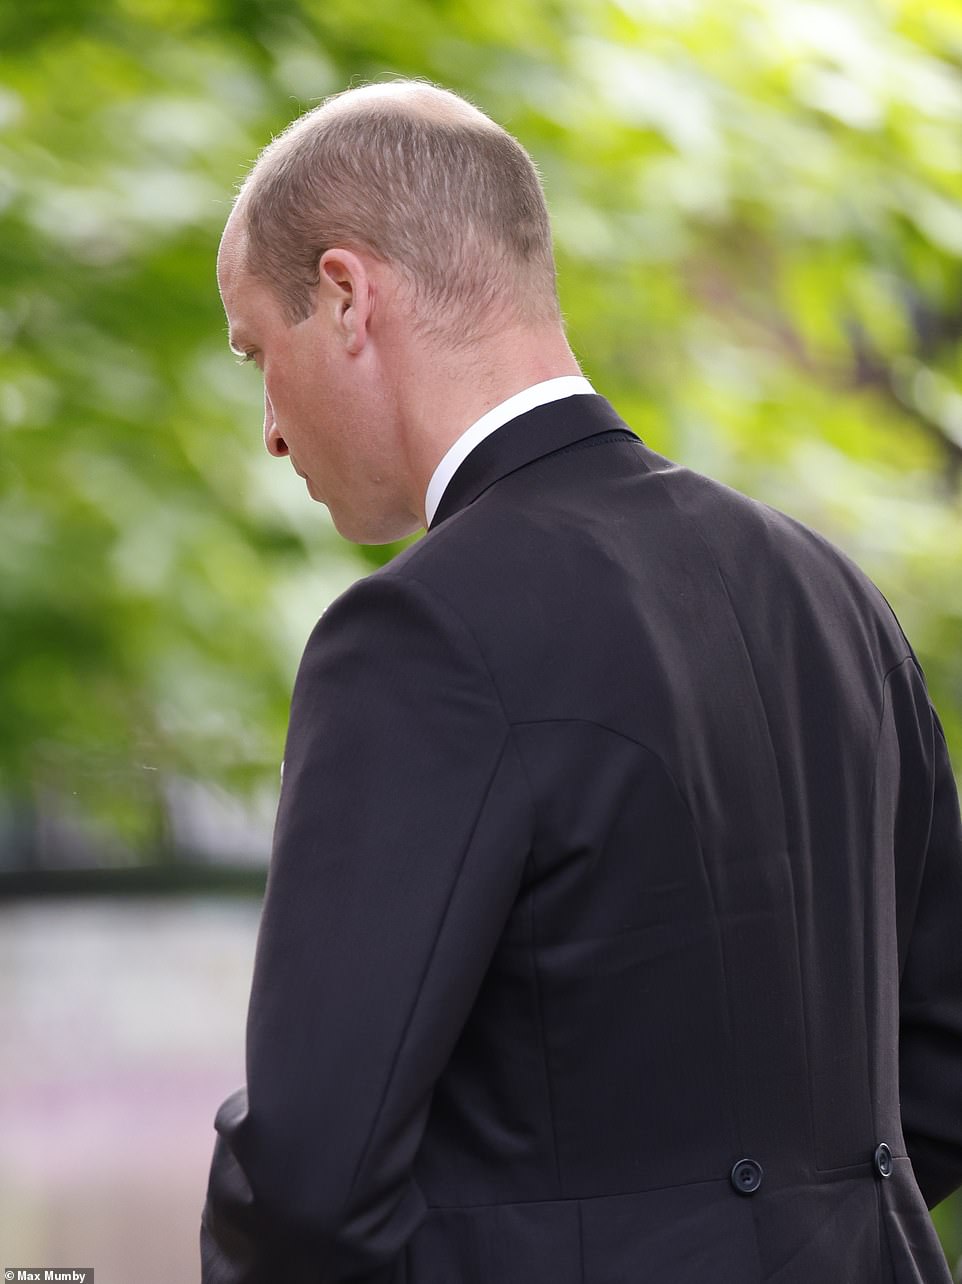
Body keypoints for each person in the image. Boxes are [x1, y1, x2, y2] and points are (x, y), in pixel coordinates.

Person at [201, 79, 962, 1284]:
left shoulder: (416, 637)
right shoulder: (831, 595)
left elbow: (310, 1183)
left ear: (344, 295)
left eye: (257, 350)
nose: (272, 428)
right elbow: (939, 1063)